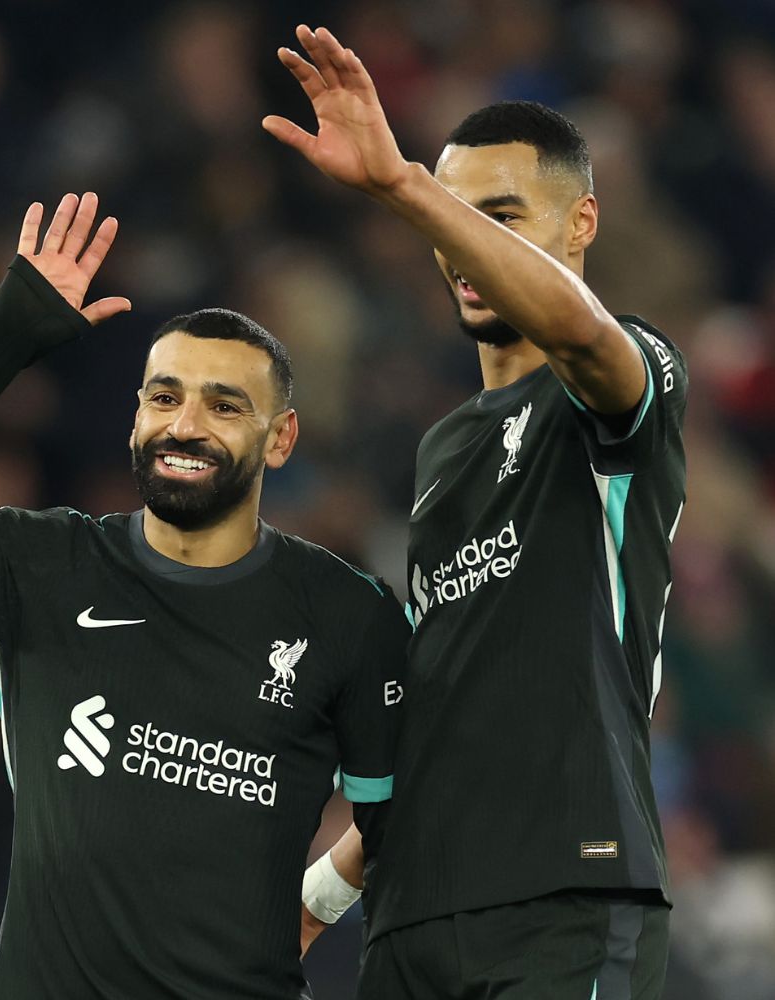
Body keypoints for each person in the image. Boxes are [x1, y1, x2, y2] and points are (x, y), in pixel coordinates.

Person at [0, 190, 410, 999]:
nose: (184, 424)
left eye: (224, 404)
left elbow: (396, 818)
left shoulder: (350, 613)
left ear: (281, 439)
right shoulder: (39, 565)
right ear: (134, 415)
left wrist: (311, 910)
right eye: (164, 396)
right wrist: (11, 330)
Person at [267, 25, 685, 999]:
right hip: (411, 926)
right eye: (455, 220)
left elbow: (580, 331)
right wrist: (311, 903)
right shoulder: (444, 451)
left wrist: (407, 188)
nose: (464, 245)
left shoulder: (626, 375)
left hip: (563, 899)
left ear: (581, 222)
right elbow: (441, 705)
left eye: (500, 216)